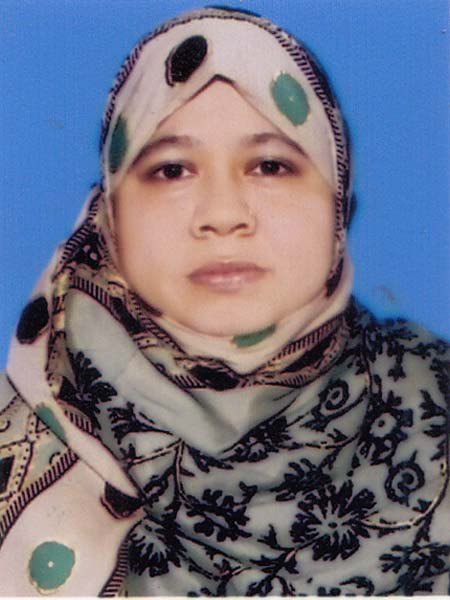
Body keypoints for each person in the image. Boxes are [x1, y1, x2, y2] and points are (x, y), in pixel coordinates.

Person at [0, 6, 448, 596]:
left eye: (270, 165)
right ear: (110, 216)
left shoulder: (434, 401)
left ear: (338, 207)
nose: (222, 215)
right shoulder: (18, 448)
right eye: (171, 170)